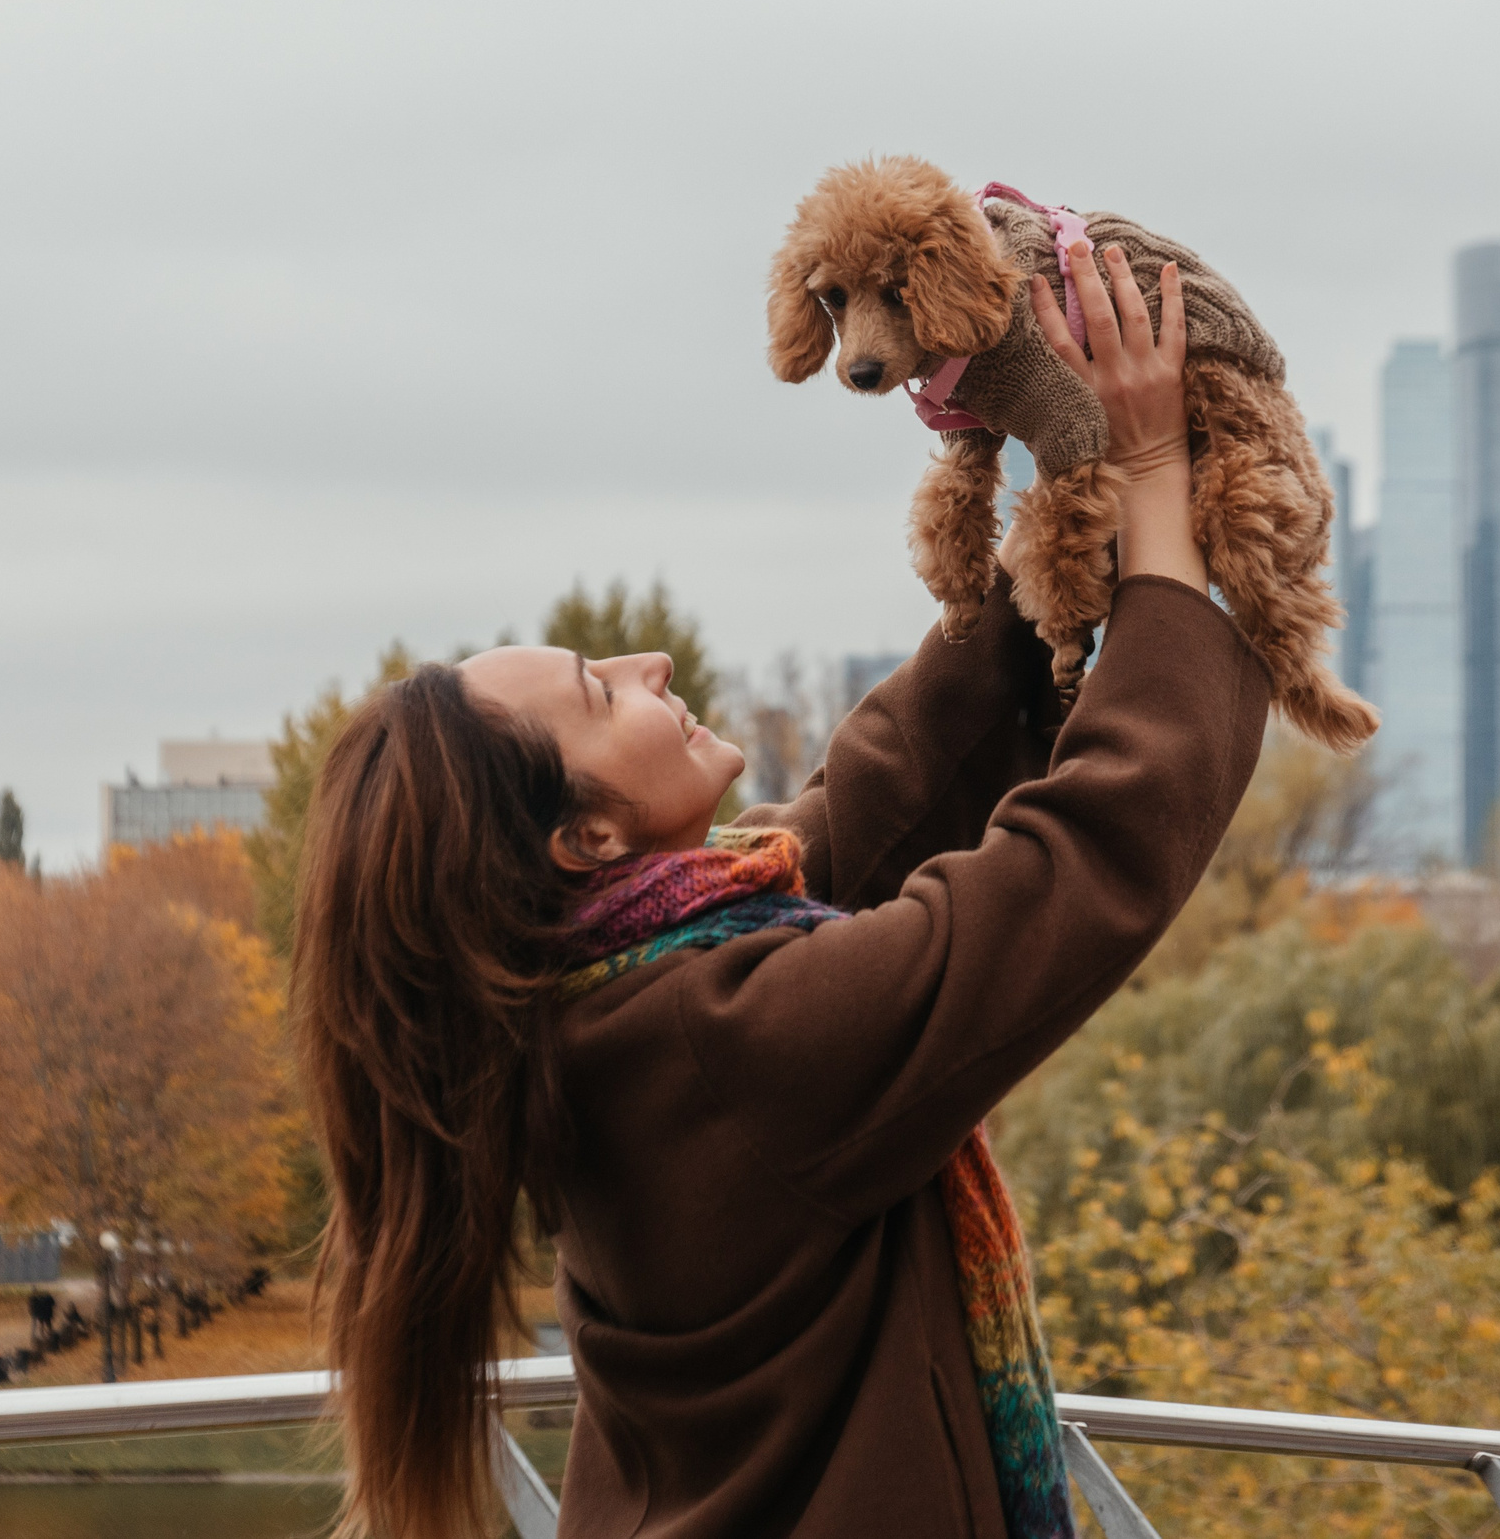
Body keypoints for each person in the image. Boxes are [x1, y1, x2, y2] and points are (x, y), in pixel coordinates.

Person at [295, 243, 1270, 1538]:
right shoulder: (725, 1035)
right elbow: (1086, 861)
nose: (648, 661)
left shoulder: (611, 995)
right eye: (600, 691)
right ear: (582, 839)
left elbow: (875, 802)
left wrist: (1043, 470)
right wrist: (1151, 483)